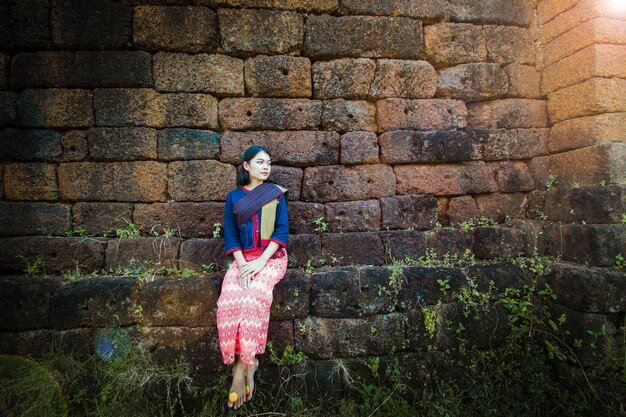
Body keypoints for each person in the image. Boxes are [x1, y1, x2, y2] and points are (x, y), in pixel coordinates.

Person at [216, 145, 289, 412]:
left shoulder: (276, 195)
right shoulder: (233, 198)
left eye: (268, 162)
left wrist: (260, 262)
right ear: (246, 166)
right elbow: (231, 235)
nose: (266, 167)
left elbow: (281, 231)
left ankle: (241, 368)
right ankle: (249, 363)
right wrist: (243, 264)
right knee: (229, 300)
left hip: (271, 258)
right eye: (260, 162)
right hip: (242, 259)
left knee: (255, 295)